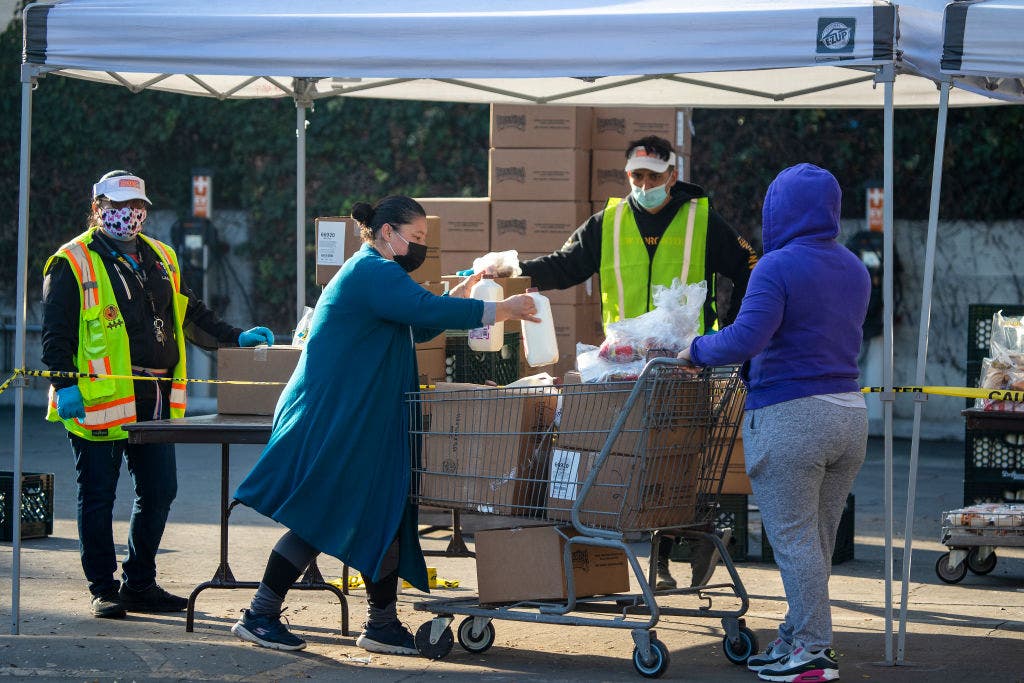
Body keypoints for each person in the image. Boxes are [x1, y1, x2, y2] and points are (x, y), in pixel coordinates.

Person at [229, 196, 539, 654]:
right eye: (414, 239)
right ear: (387, 231)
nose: (417, 248)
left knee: (383, 514)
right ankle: (259, 613)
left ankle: (381, 624)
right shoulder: (372, 271)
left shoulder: (379, 276)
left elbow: (420, 323)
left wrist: (467, 290)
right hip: (337, 415)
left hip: (361, 416)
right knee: (323, 511)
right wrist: (503, 309)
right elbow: (425, 312)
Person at [484, 135, 758, 590]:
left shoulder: (702, 221)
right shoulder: (607, 222)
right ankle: (682, 543)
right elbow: (565, 265)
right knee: (635, 454)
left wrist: (729, 328)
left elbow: (749, 264)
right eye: (637, 176)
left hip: (684, 361)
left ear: (672, 175)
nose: (644, 184)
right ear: (627, 175)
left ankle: (676, 548)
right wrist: (513, 268)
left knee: (675, 452)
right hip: (624, 360)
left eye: (653, 176)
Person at [42, 170, 275, 619]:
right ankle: (104, 588)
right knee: (98, 495)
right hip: (97, 398)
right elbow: (56, 334)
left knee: (160, 491)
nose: (127, 215)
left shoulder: (162, 256)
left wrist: (236, 338)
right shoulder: (71, 261)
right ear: (98, 208)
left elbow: (191, 315)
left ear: (145, 210)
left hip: (155, 397)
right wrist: (63, 383)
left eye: (135, 207)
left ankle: (140, 583)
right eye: (116, 206)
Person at [680, 163, 869, 682]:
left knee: (793, 540)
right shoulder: (854, 266)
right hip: (849, 416)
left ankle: (812, 652)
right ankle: (795, 637)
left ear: (776, 210)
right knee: (817, 540)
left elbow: (744, 339)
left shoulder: (777, 266)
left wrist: (693, 349)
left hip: (791, 416)